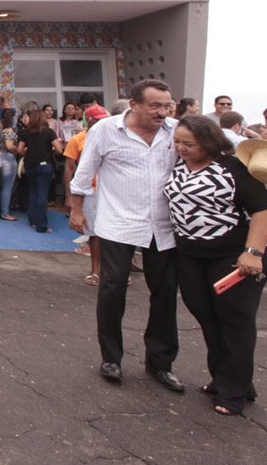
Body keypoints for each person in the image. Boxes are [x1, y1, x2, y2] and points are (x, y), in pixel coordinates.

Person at [69, 79, 183, 391]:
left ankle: (160, 362)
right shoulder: (105, 130)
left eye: (166, 105)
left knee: (164, 294)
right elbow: (84, 170)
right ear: (134, 105)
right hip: (117, 222)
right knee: (112, 288)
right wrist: (76, 210)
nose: (162, 112)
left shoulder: (176, 131)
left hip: (164, 225)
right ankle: (111, 357)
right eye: (155, 106)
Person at [165, 119, 267, 415]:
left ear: (209, 142)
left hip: (234, 256)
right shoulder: (179, 166)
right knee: (205, 314)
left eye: (189, 144)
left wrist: (253, 252)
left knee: (235, 319)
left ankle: (232, 393)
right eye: (178, 142)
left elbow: (262, 210)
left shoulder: (234, 168)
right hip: (190, 254)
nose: (181, 148)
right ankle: (230, 377)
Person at [63, 105, 109, 285]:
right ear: (88, 120)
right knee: (94, 232)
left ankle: (117, 270)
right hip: (89, 191)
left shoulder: (112, 138)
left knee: (114, 232)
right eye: (98, 119)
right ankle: (96, 271)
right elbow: (69, 168)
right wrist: (70, 196)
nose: (102, 123)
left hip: (110, 191)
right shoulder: (78, 139)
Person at [17, 109, 61, 233]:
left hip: (30, 166)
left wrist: (27, 150)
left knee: (33, 192)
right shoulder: (49, 132)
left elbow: (20, 150)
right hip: (45, 166)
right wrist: (50, 151)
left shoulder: (26, 132)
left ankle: (32, 220)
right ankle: (41, 225)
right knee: (42, 194)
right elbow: (59, 149)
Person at [0, 110, 19, 221]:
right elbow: (9, 146)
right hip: (8, 158)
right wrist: (19, 149)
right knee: (7, 187)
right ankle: (5, 212)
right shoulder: (8, 130)